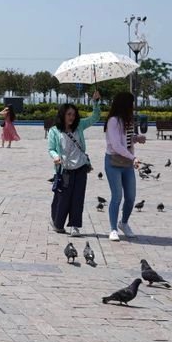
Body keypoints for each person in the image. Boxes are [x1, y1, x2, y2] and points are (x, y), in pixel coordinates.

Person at [47, 91, 102, 236]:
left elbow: (95, 117)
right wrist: (56, 156)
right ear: (62, 115)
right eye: (68, 114)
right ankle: (58, 224)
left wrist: (95, 102)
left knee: (78, 197)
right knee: (62, 197)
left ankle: (75, 226)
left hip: (80, 168)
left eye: (73, 114)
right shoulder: (54, 131)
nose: (71, 117)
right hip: (64, 169)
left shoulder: (80, 126)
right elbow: (51, 149)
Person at [104, 91, 146, 241]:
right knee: (117, 196)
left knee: (131, 197)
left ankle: (124, 223)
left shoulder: (128, 120)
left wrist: (136, 138)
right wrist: (133, 157)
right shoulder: (113, 121)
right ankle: (113, 229)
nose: (133, 107)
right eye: (131, 103)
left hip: (127, 163)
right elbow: (116, 146)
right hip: (114, 162)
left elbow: (126, 141)